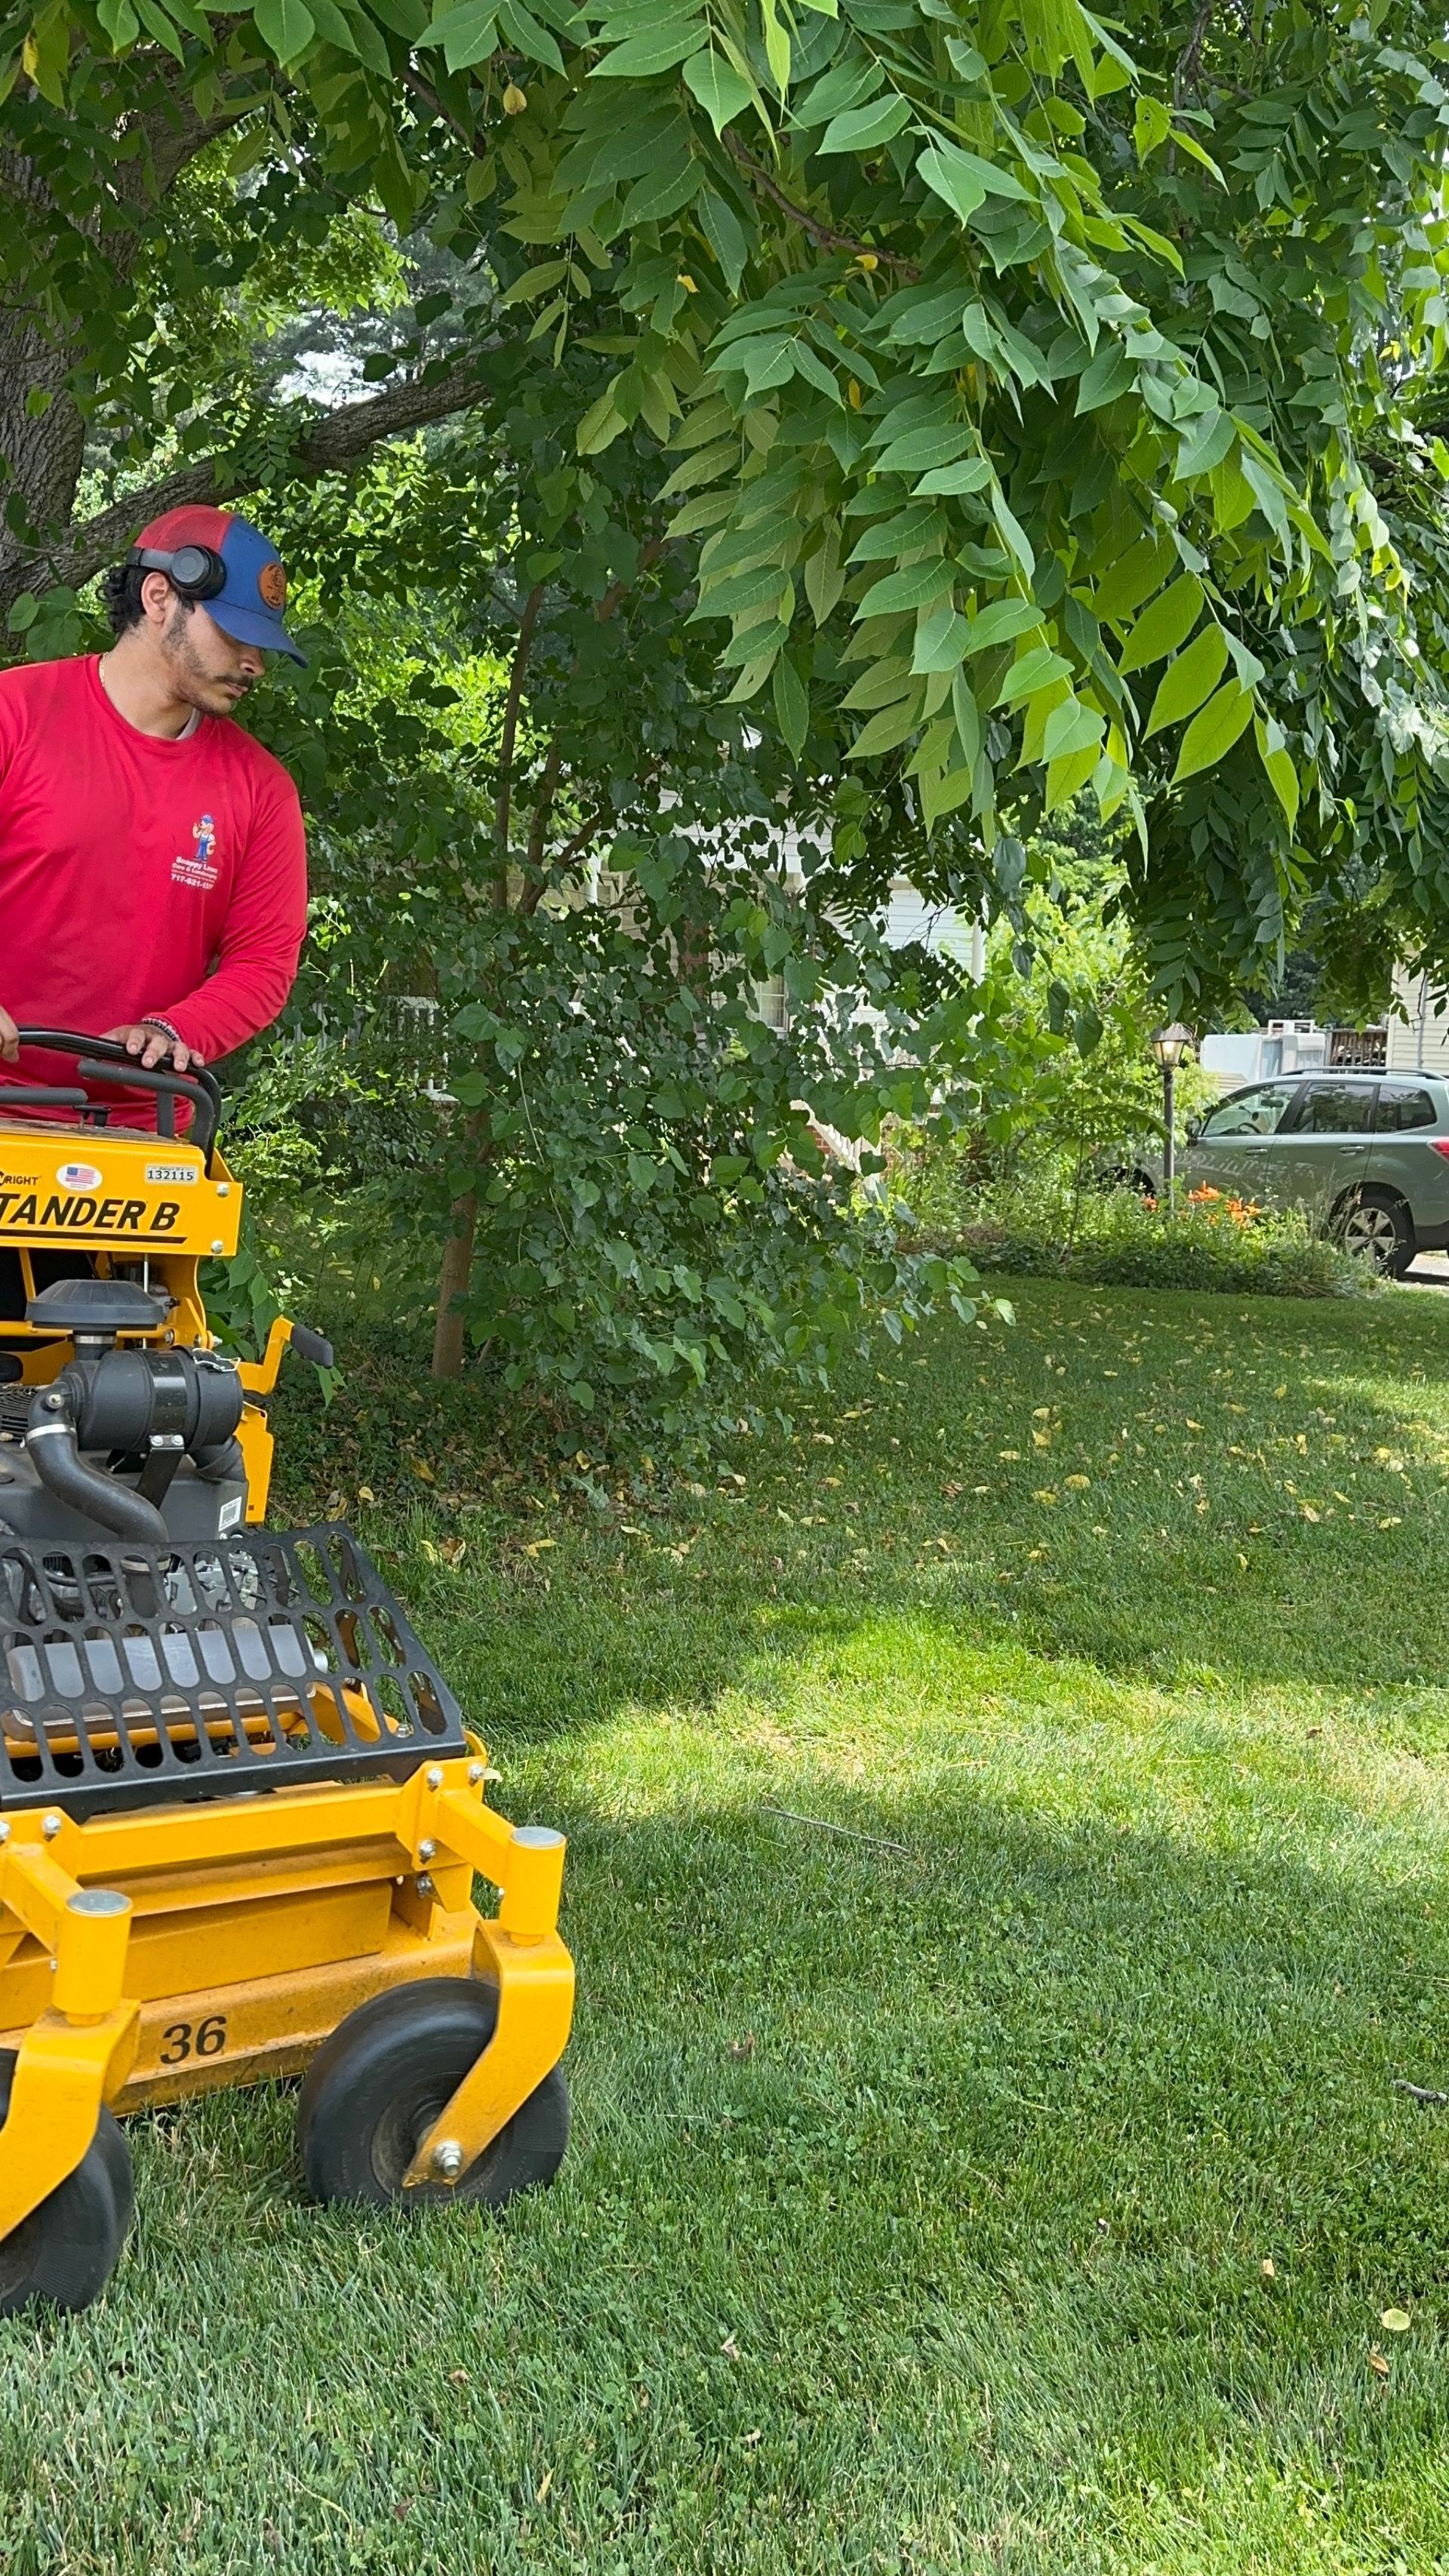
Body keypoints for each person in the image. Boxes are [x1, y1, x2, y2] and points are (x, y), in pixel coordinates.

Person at [0, 505, 309, 1122]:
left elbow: (263, 963)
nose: (255, 663)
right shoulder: (15, 714)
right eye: (235, 634)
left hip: (146, 1131)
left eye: (263, 645)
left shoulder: (263, 791)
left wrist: (173, 1027)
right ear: (160, 595)